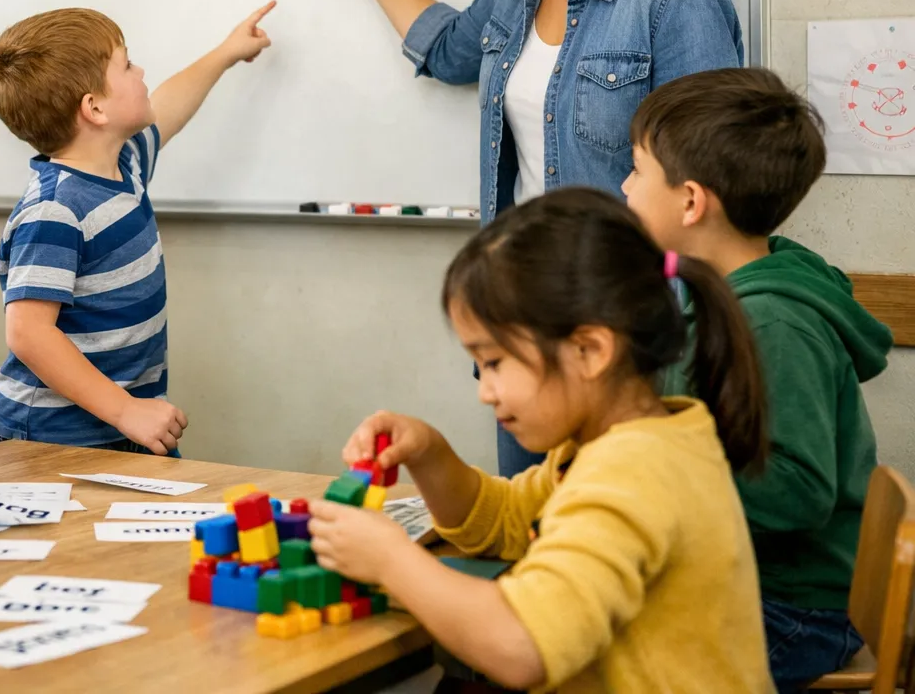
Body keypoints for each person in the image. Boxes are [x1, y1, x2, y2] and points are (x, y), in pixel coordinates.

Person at [295, 0, 744, 475]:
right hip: (525, 320)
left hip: (628, 341)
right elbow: (449, 51)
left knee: (614, 528)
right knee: (528, 524)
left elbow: (712, 196)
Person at [308, 187, 771, 692]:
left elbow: (522, 645)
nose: (484, 391)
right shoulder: (611, 445)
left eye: (494, 362)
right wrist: (430, 453)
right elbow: (506, 519)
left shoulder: (633, 471)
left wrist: (391, 561)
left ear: (589, 351)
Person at [624, 67, 892, 690]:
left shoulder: (773, 323)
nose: (625, 186)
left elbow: (798, 491)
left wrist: (656, 462)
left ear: (691, 202)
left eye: (636, 170)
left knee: (576, 650)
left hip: (791, 610)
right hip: (743, 580)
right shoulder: (716, 292)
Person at [0, 2, 273, 453]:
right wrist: (124, 410)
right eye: (127, 64)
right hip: (51, 434)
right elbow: (28, 333)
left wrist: (226, 53)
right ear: (95, 108)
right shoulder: (54, 210)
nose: (141, 71)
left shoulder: (124, 165)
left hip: (123, 420)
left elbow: (170, 105)